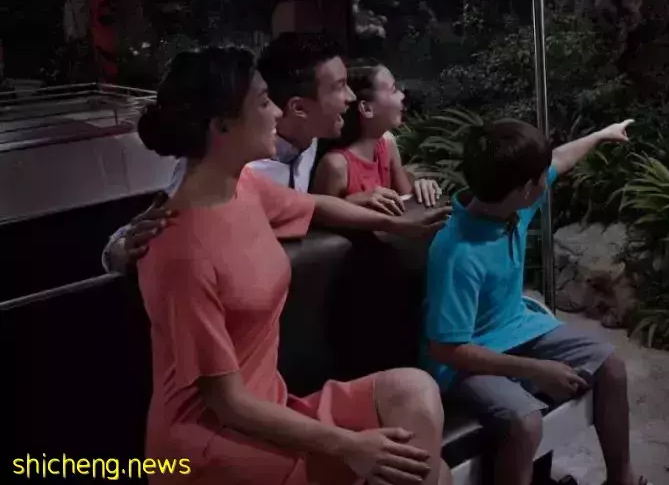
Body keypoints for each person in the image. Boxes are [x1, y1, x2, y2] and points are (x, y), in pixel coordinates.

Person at [136, 46, 452, 484]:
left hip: (271, 405)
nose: (277, 112)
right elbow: (228, 404)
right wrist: (350, 445)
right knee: (434, 473)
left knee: (415, 394)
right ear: (221, 125)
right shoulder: (180, 251)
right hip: (211, 442)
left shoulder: (244, 187)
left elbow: (314, 205)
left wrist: (395, 224)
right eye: (264, 101)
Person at [421, 118, 652, 485]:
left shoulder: (511, 207)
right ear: (526, 189)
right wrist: (537, 370)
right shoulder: (456, 253)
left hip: (518, 326)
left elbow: (560, 159)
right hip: (466, 357)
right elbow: (446, 348)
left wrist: (599, 135)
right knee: (524, 422)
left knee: (611, 367)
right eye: (541, 177)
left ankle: (621, 479)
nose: (548, 179)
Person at [101, 33, 447, 274]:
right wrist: (120, 250)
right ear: (299, 107)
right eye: (340, 87)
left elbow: (309, 203)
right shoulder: (231, 166)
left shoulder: (317, 136)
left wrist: (410, 190)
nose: (352, 98)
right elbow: (153, 228)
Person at [312, 62, 442, 215]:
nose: (402, 96)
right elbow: (318, 219)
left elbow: (407, 203)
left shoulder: (387, 143)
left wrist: (421, 189)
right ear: (367, 109)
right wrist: (351, 203)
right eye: (393, 90)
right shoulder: (336, 166)